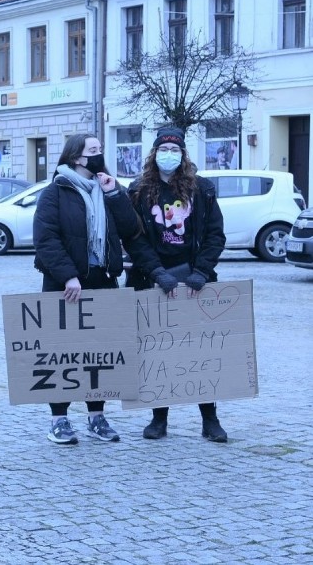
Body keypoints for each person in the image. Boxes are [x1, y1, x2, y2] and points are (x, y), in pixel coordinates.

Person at [32, 133, 141, 445]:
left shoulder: (106, 188)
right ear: (75, 157)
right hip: (66, 284)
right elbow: (46, 239)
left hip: (102, 278)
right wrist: (68, 275)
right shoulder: (55, 191)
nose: (98, 155)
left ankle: (96, 416)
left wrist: (115, 195)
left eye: (100, 150)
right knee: (62, 353)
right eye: (92, 151)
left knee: (100, 351)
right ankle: (59, 418)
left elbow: (131, 229)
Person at [124, 127, 229, 443]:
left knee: (201, 349)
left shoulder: (202, 189)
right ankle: (159, 419)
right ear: (153, 154)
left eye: (174, 150)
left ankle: (210, 419)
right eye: (162, 149)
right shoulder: (139, 190)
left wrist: (202, 271)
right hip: (153, 279)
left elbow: (215, 235)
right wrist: (157, 272)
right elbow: (134, 238)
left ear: (183, 155)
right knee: (157, 351)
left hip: (196, 280)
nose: (168, 155)